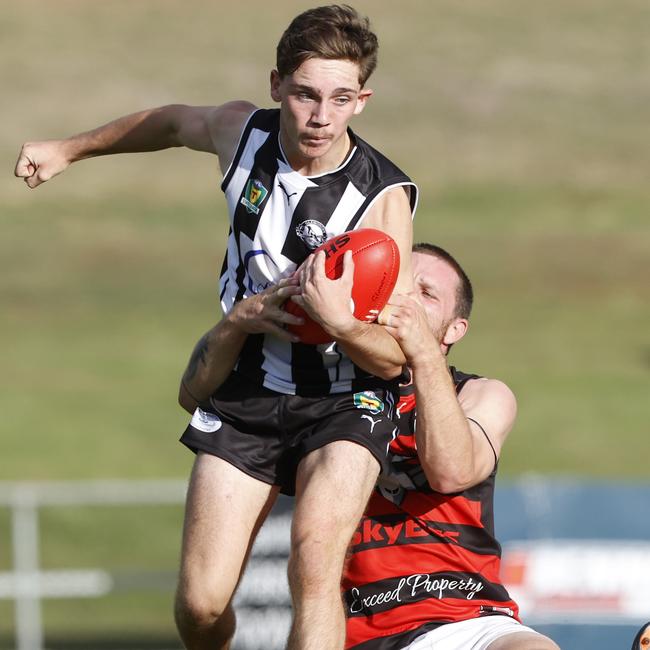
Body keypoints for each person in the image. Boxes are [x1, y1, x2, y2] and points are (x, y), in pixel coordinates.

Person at [15, 5, 417, 649]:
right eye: (306, 94)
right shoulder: (242, 134)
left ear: (361, 100)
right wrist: (69, 149)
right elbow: (172, 122)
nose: (321, 116)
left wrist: (340, 322)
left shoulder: (382, 199)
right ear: (276, 85)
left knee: (314, 563)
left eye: (340, 99)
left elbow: (395, 359)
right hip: (249, 385)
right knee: (199, 607)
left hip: (345, 399)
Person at [342, 243, 560, 650]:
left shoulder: (481, 394)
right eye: (401, 286)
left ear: (455, 329)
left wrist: (422, 351)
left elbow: (451, 471)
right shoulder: (330, 396)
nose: (407, 298)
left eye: (426, 294)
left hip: (467, 618)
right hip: (357, 629)